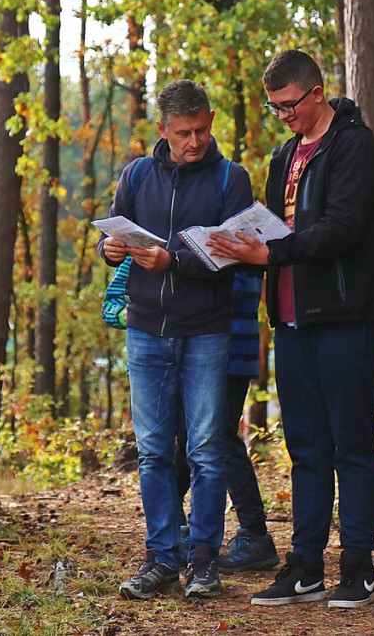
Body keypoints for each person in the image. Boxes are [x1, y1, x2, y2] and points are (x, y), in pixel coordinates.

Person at [209, 50, 374, 609]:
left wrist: (268, 251)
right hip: (291, 319)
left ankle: (358, 565)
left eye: (290, 105)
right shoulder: (284, 155)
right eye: (275, 108)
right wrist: (235, 246)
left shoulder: (356, 148)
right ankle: (306, 566)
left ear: (317, 93)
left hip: (345, 317)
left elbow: (339, 230)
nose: (284, 116)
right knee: (306, 448)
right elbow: (274, 229)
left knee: (352, 444)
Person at [98, 79, 253, 600]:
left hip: (207, 330)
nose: (195, 141)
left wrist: (172, 261)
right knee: (154, 452)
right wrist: (111, 250)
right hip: (144, 330)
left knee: (207, 448)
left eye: (203, 130)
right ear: (162, 130)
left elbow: (231, 255)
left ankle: (204, 560)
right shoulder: (137, 174)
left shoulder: (232, 179)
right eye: (184, 132)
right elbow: (111, 239)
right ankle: (161, 558)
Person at [172, 270, 280, 572]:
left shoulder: (239, 229)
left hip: (230, 351)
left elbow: (237, 288)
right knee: (187, 435)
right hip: (191, 347)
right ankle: (177, 528)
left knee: (217, 437)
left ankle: (255, 533)